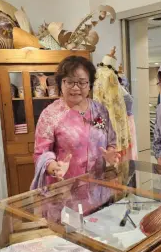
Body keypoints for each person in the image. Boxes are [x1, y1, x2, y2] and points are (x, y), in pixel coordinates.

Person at [31, 56, 120, 189]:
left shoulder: (100, 110)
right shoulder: (50, 114)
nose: (75, 87)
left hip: (99, 185)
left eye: (82, 82)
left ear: (89, 85)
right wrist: (54, 167)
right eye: (69, 82)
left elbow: (111, 141)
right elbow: (41, 153)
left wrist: (111, 154)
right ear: (61, 83)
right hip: (66, 189)